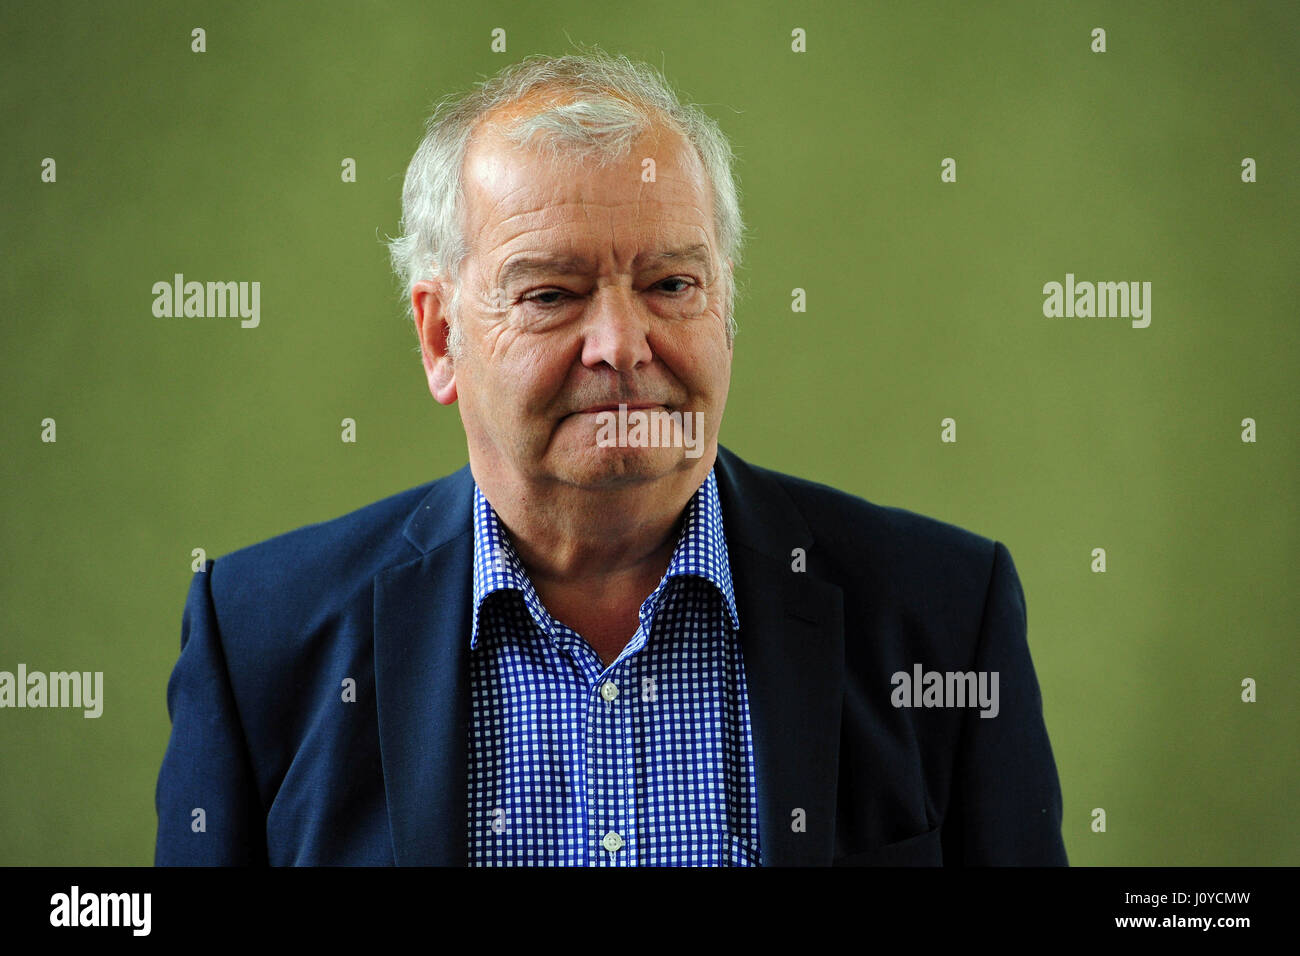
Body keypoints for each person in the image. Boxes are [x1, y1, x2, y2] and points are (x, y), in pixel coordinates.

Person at [154, 49, 1066, 866]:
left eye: (673, 284)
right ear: (441, 339)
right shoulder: (260, 643)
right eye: (551, 293)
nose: (623, 345)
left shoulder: (945, 614)